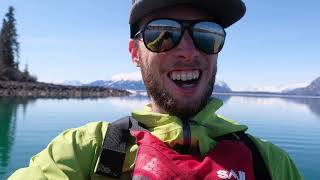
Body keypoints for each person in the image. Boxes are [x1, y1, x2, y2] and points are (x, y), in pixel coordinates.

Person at [9, 0, 303, 179]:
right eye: (162, 35)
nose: (188, 51)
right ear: (135, 53)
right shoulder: (89, 150)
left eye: (206, 35)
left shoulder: (270, 163)